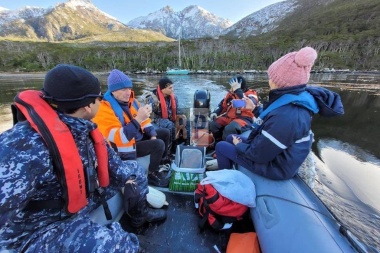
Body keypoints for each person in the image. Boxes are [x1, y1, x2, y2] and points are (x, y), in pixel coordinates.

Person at [0, 64, 166, 252]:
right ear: (88, 106)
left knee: (135, 171)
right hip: (43, 226)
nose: (101, 101)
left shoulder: (84, 129)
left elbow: (118, 168)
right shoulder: (21, 147)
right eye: (98, 98)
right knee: (120, 246)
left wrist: (130, 179)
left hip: (84, 196)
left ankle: (139, 217)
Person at [215, 47, 344, 180]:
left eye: (272, 77)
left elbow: (259, 155)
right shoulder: (289, 102)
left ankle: (226, 181)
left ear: (279, 82)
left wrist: (239, 145)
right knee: (230, 138)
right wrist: (254, 109)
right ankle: (228, 162)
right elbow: (269, 119)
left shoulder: (289, 115)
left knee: (222, 146)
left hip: (276, 166)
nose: (269, 80)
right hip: (274, 152)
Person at [92, 69, 171, 187]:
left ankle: (161, 162)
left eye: (129, 88)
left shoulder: (132, 101)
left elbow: (145, 121)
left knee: (165, 133)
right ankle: (152, 175)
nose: (128, 92)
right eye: (123, 89)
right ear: (113, 91)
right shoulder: (104, 108)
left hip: (136, 137)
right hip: (123, 148)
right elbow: (120, 138)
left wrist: (152, 134)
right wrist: (138, 119)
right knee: (158, 144)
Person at [209, 76, 259, 142]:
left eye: (233, 86)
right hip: (229, 117)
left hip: (244, 119)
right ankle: (216, 141)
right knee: (213, 124)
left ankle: (225, 146)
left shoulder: (251, 94)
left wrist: (238, 90)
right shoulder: (230, 94)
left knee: (230, 128)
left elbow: (248, 103)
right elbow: (222, 105)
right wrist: (215, 112)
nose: (231, 88)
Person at [145, 77, 186, 153]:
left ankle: (184, 144)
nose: (172, 89)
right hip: (156, 120)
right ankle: (168, 150)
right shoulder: (153, 99)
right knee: (169, 125)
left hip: (170, 118)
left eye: (172, 87)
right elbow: (147, 115)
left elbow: (178, 111)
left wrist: (182, 117)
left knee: (185, 121)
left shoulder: (174, 98)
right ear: (163, 89)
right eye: (170, 88)